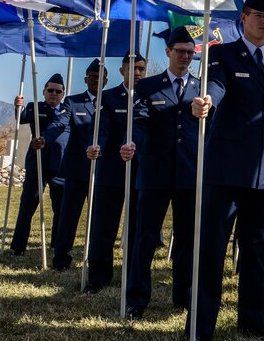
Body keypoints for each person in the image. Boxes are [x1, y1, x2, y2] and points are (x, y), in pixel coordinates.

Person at [189, 0, 264, 341]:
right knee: (212, 250)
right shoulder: (223, 55)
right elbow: (217, 87)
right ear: (243, 19)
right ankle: (201, 327)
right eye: (257, 16)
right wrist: (206, 101)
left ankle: (253, 322)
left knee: (257, 251)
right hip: (227, 169)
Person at [121, 27, 200, 318]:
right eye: (180, 51)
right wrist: (132, 142)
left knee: (187, 240)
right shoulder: (147, 87)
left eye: (190, 53)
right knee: (145, 238)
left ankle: (184, 297)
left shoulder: (200, 89)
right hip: (155, 173)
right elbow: (139, 121)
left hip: (189, 174)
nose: (185, 57)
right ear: (167, 52)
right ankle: (136, 299)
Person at [84, 52, 146, 294]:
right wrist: (95, 145)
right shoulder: (108, 97)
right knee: (103, 227)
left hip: (141, 172)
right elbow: (100, 127)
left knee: (136, 228)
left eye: (141, 69)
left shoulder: (149, 95)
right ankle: (98, 277)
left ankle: (132, 274)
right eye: (133, 69)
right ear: (122, 71)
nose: (138, 73)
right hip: (111, 170)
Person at [51, 59, 107, 270]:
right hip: (76, 171)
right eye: (92, 77)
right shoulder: (73, 102)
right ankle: (61, 259)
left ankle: (94, 258)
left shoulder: (110, 101)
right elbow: (59, 124)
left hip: (101, 172)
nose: (95, 81)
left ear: (106, 80)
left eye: (99, 78)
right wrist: (46, 138)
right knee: (68, 217)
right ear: (85, 79)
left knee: (98, 220)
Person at [10, 74, 69, 255]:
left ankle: (56, 246)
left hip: (60, 166)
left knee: (61, 208)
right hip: (38, 163)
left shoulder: (68, 110)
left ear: (63, 93)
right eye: (50, 90)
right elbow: (21, 119)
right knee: (28, 205)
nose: (53, 94)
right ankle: (18, 248)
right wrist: (18, 106)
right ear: (44, 91)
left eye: (58, 91)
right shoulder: (35, 108)